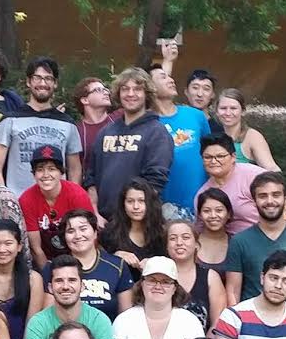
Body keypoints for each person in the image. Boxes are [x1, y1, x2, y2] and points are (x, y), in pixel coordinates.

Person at [224, 171, 286, 316]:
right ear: (254, 200)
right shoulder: (239, 241)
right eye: (263, 196)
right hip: (253, 327)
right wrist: (236, 326)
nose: (270, 201)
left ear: (285, 198)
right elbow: (232, 290)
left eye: (276, 195)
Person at [82, 67, 173, 222]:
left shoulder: (157, 132)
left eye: (137, 89)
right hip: (105, 222)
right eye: (125, 89)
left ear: (147, 94)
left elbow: (155, 181)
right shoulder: (106, 132)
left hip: (139, 223)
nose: (130, 94)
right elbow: (91, 177)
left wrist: (133, 215)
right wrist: (95, 213)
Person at [0, 56, 83, 194]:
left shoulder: (67, 124)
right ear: (28, 82)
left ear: (55, 83)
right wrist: (5, 198)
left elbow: (75, 169)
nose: (42, 83)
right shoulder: (10, 120)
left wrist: (71, 198)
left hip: (57, 204)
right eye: (37, 78)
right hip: (18, 202)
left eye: (48, 78)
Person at [22, 256, 116, 339]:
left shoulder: (98, 319)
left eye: (72, 280)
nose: (65, 286)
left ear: (82, 286)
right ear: (50, 287)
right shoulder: (38, 321)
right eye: (59, 281)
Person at [152, 62, 214, 215]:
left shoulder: (196, 115)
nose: (171, 80)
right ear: (150, 87)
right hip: (164, 207)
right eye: (163, 77)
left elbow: (211, 153)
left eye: (170, 77)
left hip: (201, 203)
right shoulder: (147, 123)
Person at [50, 209, 133, 324]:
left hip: (107, 337)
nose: (78, 235)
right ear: (64, 237)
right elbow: (48, 316)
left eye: (83, 229)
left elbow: (126, 317)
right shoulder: (53, 267)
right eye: (70, 231)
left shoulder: (117, 266)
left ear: (95, 233)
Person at [18, 144, 94, 268]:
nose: (46, 174)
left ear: (61, 172)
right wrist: (48, 275)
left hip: (78, 255)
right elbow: (36, 249)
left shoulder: (77, 194)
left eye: (52, 169)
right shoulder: (26, 199)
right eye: (40, 169)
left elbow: (89, 238)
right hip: (45, 259)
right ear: (34, 174)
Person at [0, 219, 45, 339]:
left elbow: (32, 324)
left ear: (19, 246)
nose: (2, 249)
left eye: (8, 243)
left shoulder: (33, 279)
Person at [194, 135, 263, 235]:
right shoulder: (202, 194)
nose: (213, 161)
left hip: (266, 237)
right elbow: (201, 230)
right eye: (208, 157)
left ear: (233, 157)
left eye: (220, 156)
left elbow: (282, 206)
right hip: (231, 245)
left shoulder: (254, 176)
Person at [99, 179, 167, 277]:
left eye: (141, 201)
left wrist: (155, 263)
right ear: (123, 204)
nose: (136, 206)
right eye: (130, 201)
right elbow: (99, 264)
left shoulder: (162, 232)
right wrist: (115, 256)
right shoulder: (110, 233)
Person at [165, 218, 224, 331]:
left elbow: (217, 325)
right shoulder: (158, 276)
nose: (179, 243)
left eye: (186, 237)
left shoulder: (211, 277)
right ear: (166, 246)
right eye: (173, 238)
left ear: (197, 244)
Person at [214, 88, 280, 170]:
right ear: (216, 111)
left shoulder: (252, 136)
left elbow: (272, 168)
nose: (228, 113)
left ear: (243, 111)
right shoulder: (215, 137)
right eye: (223, 108)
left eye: (233, 108)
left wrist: (276, 181)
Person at [72, 77, 116, 158]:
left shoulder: (120, 118)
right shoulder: (77, 132)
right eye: (98, 90)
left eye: (105, 89)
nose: (106, 93)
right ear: (85, 100)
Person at [195, 187, 235, 271]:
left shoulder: (237, 243)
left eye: (219, 210)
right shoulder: (191, 242)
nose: (213, 215)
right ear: (199, 215)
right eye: (206, 211)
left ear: (229, 214)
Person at [181, 69, 226, 141]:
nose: (200, 94)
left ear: (212, 95)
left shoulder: (218, 127)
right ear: (186, 91)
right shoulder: (178, 120)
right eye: (195, 88)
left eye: (206, 89)